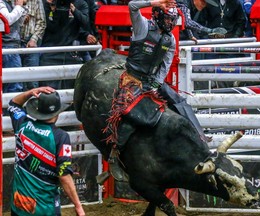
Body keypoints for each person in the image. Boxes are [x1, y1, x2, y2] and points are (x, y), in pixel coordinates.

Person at [105, 0, 210, 181]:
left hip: (152, 80)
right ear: (158, 15)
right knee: (129, 112)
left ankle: (199, 136)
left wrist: (156, 84)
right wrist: (155, 2)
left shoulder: (170, 39)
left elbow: (166, 65)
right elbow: (132, 5)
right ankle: (115, 155)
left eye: (173, 20)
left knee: (179, 101)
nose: (170, 23)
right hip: (132, 78)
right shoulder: (142, 27)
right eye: (168, 19)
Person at [8, 87, 85, 216]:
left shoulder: (22, 124)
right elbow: (64, 175)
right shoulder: (61, 137)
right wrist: (78, 206)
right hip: (45, 208)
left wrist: (31, 92)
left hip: (19, 205)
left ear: (37, 109)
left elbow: (13, 103)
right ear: (57, 113)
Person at [39, 0, 89, 90]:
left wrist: (74, 10)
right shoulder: (47, 3)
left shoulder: (81, 3)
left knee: (71, 89)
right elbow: (50, 27)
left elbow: (85, 23)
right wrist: (51, 10)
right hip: (50, 51)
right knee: (48, 89)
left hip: (70, 52)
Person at [0, 0, 27, 93]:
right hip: (7, 46)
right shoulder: (1, 3)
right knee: (15, 83)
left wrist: (21, 8)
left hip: (11, 45)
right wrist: (19, 6)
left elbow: (18, 24)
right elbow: (7, 20)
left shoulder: (8, 3)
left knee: (13, 82)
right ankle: (13, 106)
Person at [20, 0, 46, 90]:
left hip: (30, 40)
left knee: (32, 77)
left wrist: (33, 39)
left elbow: (42, 22)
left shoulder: (37, 0)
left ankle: (33, 102)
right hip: (14, 41)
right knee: (16, 78)